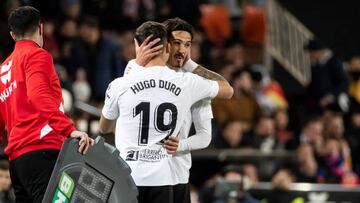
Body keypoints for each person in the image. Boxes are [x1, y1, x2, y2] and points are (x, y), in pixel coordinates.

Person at [99, 21, 233, 203]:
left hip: (177, 176)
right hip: (158, 178)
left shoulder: (191, 81)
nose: (182, 50)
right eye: (176, 43)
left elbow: (204, 136)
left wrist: (181, 145)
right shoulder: (186, 82)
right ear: (167, 46)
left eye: (187, 44)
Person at [0, 6, 93, 203]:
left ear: (12, 35)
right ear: (41, 29)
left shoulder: (3, 69)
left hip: (17, 162)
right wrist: (68, 129)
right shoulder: (37, 55)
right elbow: (38, 95)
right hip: (42, 152)